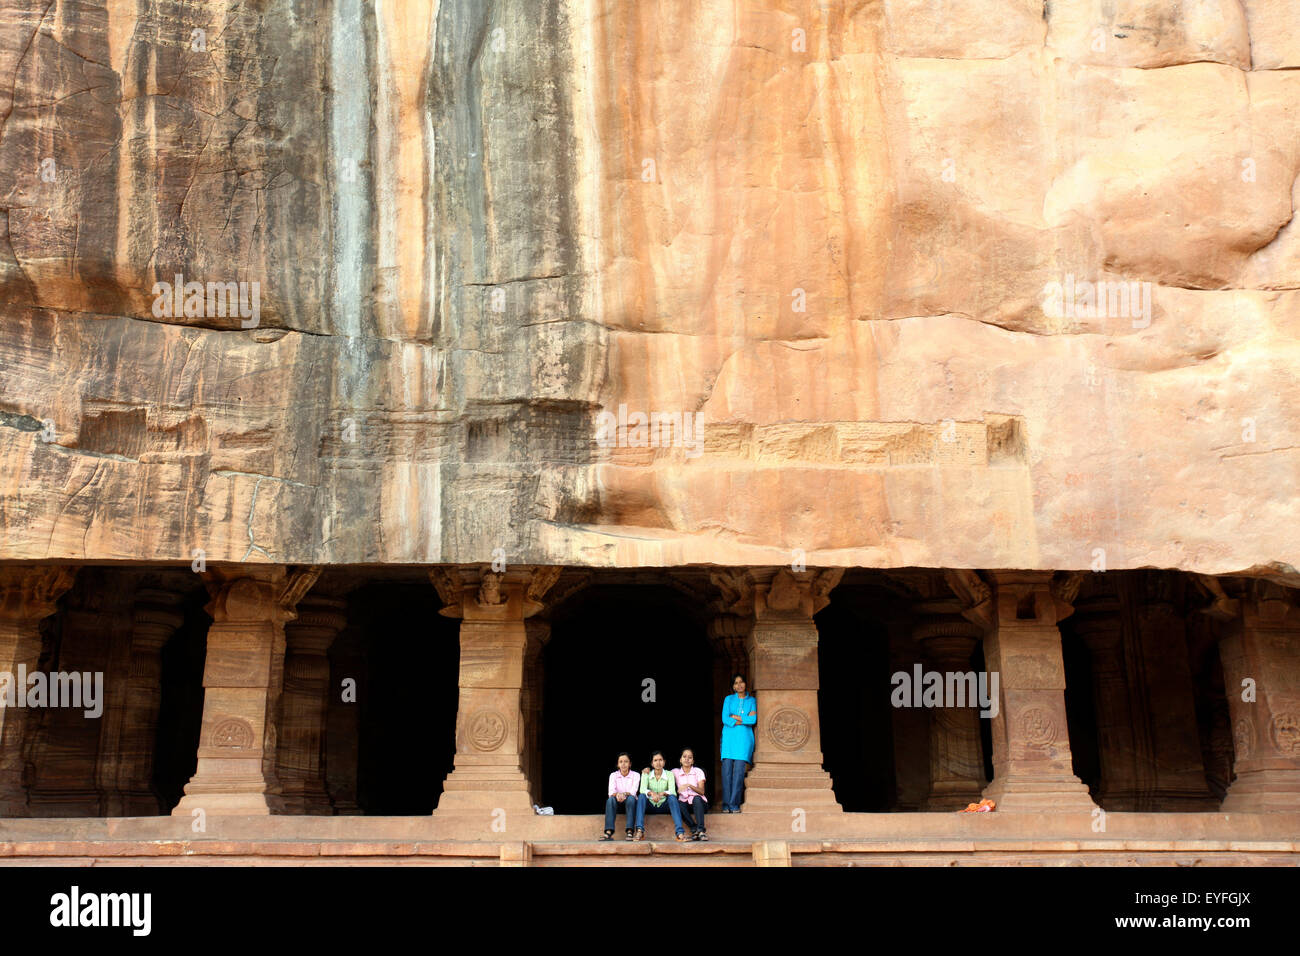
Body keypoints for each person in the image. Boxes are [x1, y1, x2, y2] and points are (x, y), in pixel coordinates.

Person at [720, 674, 756, 812]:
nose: (739, 685)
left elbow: (753, 720)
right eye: (736, 683)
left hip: (744, 740)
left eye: (741, 682)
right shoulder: (728, 699)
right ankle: (725, 804)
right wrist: (744, 719)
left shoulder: (752, 700)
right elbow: (725, 718)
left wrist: (736, 717)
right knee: (727, 772)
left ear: (745, 684)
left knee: (739, 773)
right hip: (729, 739)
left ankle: (734, 805)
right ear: (733, 686)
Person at [635, 750, 686, 841]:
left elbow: (672, 791)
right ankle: (639, 831)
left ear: (664, 762)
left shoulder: (669, 774)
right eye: (655, 760)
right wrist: (652, 793)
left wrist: (661, 794)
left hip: (664, 805)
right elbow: (642, 789)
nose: (658, 762)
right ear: (651, 763)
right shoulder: (646, 774)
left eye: (660, 760)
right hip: (650, 805)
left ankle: (680, 833)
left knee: (672, 798)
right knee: (642, 796)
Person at [602, 752, 640, 840]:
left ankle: (630, 831)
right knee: (610, 800)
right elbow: (611, 792)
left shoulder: (636, 775)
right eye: (621, 762)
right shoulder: (613, 775)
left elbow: (633, 791)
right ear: (618, 764)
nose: (623, 764)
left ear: (630, 764)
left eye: (626, 761)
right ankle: (609, 831)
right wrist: (618, 794)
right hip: (617, 802)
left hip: (630, 804)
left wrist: (623, 794)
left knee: (631, 798)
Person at [673, 747, 708, 840]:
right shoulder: (675, 772)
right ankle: (694, 829)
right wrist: (647, 770)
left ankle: (701, 831)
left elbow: (702, 791)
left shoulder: (698, 771)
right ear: (680, 760)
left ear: (693, 761)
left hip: (699, 803)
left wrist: (689, 786)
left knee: (696, 798)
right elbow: (661, 773)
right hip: (684, 802)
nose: (687, 759)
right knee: (677, 804)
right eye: (684, 757)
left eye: (690, 757)